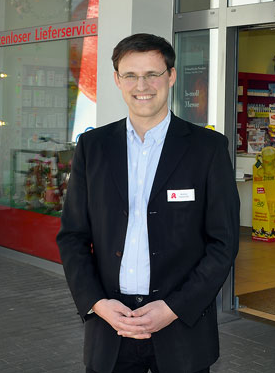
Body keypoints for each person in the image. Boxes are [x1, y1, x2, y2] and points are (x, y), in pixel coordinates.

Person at [57, 33, 240, 373]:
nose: (142, 85)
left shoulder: (207, 149)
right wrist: (96, 304)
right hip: (111, 326)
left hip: (181, 330)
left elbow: (223, 243)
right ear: (117, 80)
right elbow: (73, 237)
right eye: (130, 75)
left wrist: (174, 308)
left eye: (153, 74)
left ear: (170, 76)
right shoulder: (93, 147)